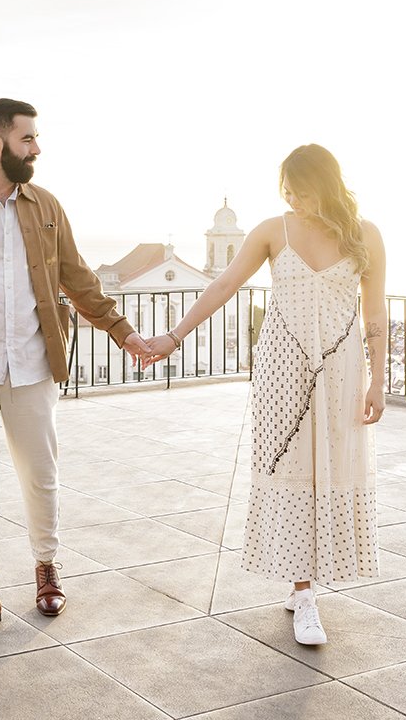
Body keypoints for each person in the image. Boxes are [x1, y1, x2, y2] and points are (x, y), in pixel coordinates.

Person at [0, 98, 152, 643]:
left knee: (40, 478)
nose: (37, 148)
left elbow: (78, 279)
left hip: (34, 370)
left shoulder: (45, 206)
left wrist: (124, 333)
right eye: (28, 139)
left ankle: (46, 568)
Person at [142, 144, 386, 645]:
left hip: (341, 370)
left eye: (301, 191)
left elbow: (376, 312)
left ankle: (307, 586)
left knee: (331, 469)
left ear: (325, 185)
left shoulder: (366, 235)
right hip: (282, 370)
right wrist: (174, 336)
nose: (293, 200)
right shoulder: (274, 231)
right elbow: (225, 284)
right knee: (293, 471)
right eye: (288, 192)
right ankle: (304, 592)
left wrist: (378, 379)